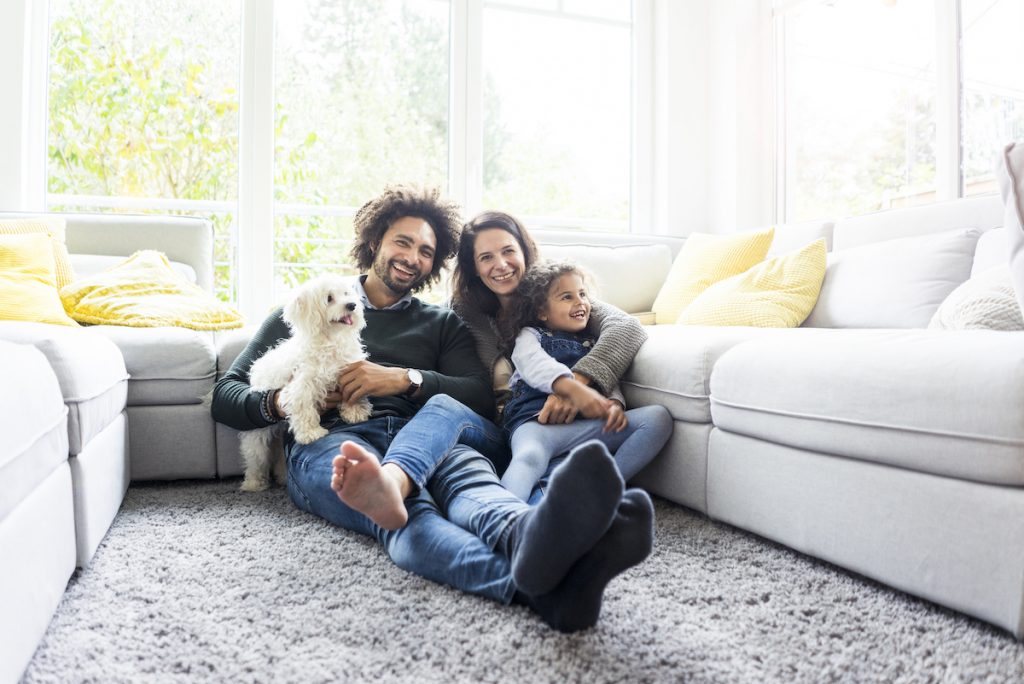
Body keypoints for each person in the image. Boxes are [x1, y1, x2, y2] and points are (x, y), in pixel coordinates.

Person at [211, 185, 653, 632]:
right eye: (402, 242)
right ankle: (540, 590)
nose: (412, 257)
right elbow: (225, 396)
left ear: (434, 264)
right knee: (406, 517)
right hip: (333, 440)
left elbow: (477, 396)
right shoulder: (306, 308)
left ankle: (525, 535)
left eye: (426, 250)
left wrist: (405, 378)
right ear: (374, 242)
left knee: (475, 491)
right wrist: (281, 402)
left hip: (424, 436)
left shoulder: (442, 323)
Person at [496, 259, 672, 500]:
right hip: (536, 424)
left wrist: (614, 405)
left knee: (657, 418)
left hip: (582, 429)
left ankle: (605, 491)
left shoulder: (594, 339)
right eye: (567, 297)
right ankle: (503, 516)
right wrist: (568, 386)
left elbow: (608, 377)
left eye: (582, 294)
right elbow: (534, 364)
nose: (580, 302)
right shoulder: (530, 335)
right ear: (541, 311)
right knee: (529, 458)